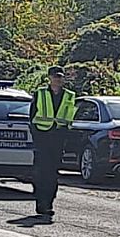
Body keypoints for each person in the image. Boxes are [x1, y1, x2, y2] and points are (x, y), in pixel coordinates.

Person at [29, 66, 76, 217]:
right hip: (42, 137)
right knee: (41, 172)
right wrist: (36, 134)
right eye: (55, 77)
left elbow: (69, 117)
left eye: (60, 77)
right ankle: (41, 202)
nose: (58, 80)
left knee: (52, 173)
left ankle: (48, 202)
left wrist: (65, 134)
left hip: (58, 138)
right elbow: (32, 117)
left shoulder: (69, 95)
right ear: (49, 78)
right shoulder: (40, 93)